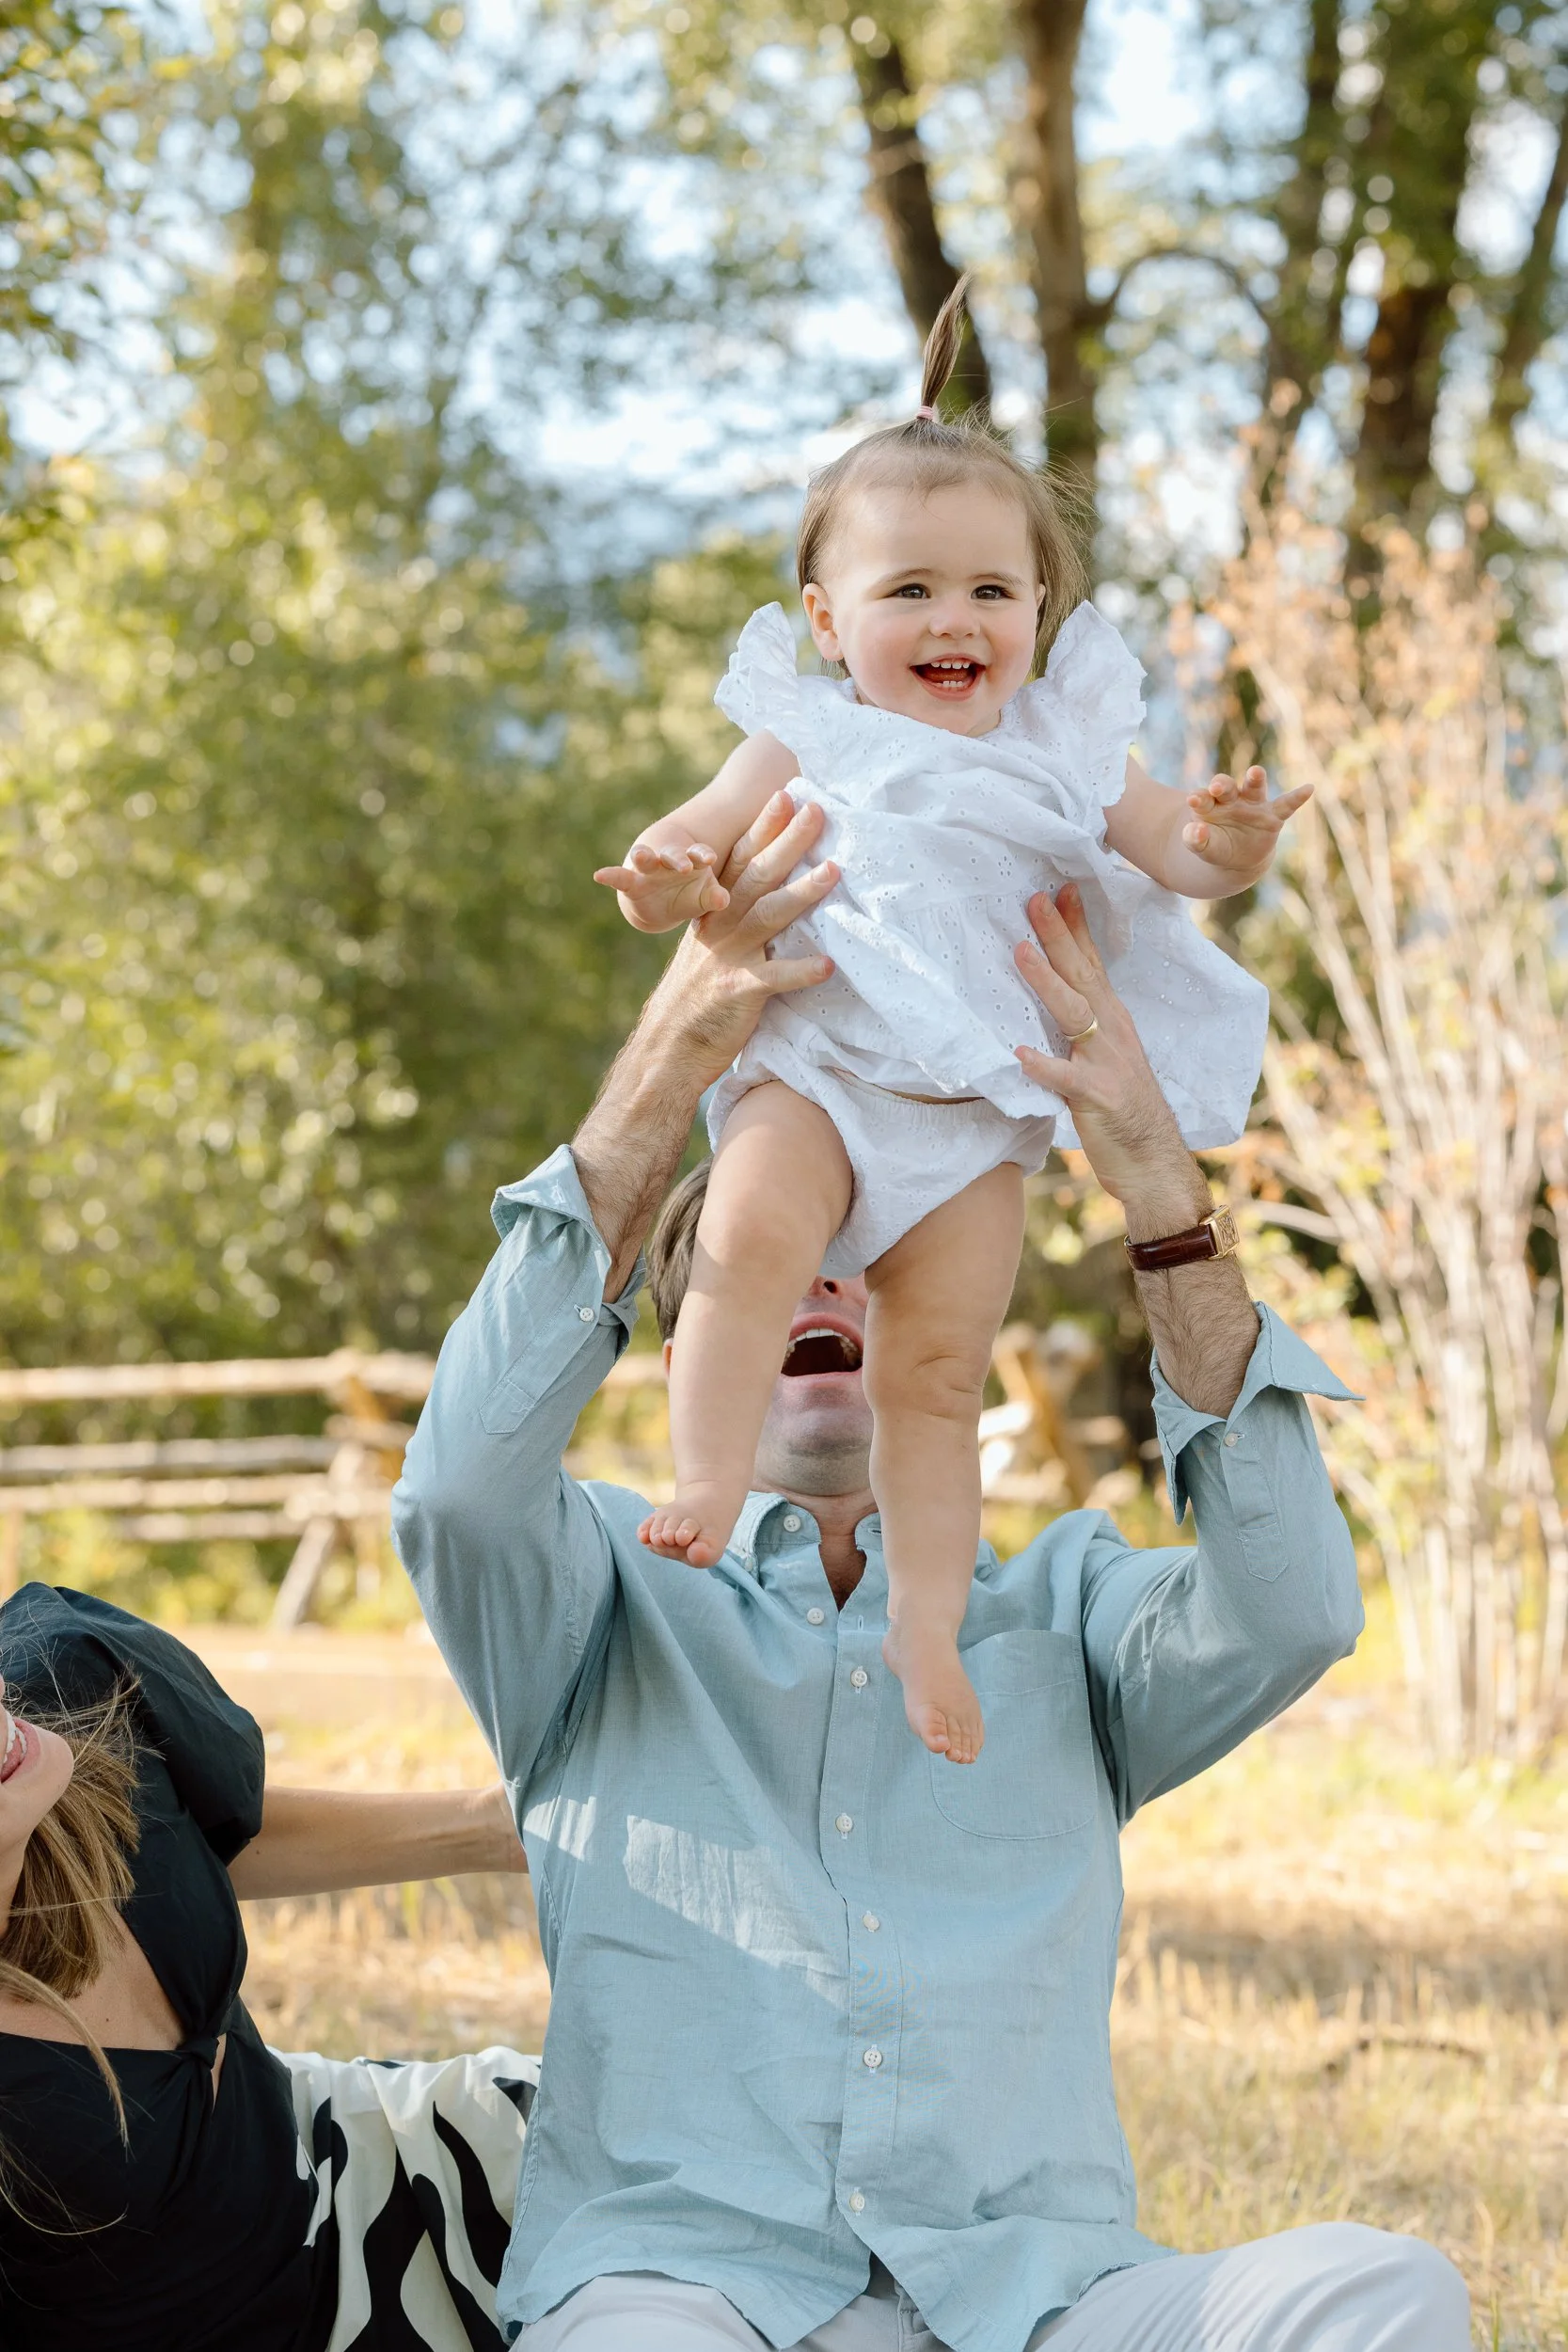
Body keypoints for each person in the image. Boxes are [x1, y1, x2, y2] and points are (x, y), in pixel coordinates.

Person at [393, 804, 1470, 2352]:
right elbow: (454, 1485)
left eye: (886, 1241)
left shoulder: (1066, 1615)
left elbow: (1294, 1606)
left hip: (1036, 2303)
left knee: (1382, 2290)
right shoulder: (595, 1596)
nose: (833, 1266)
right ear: (705, 1332)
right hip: (694, 2298)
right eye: (783, 1248)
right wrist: (671, 1060)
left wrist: (1162, 1192)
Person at [593, 282, 1309, 1765]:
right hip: (822, 1068)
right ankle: (714, 1479)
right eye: (907, 589)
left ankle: (926, 1623)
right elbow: (702, 835)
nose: (952, 621)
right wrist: (668, 879)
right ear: (824, 619)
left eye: (990, 591)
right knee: (742, 1246)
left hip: (976, 1113)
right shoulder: (810, 730)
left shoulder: (1066, 747)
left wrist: (1228, 840)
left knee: (933, 1375)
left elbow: (1171, 848)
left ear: (1037, 612)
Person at [0, 1580, 539, 2352]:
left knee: (706, 2162)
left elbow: (207, 1836)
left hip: (345, 2160)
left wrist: (492, 1830)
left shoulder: (65, 1686)